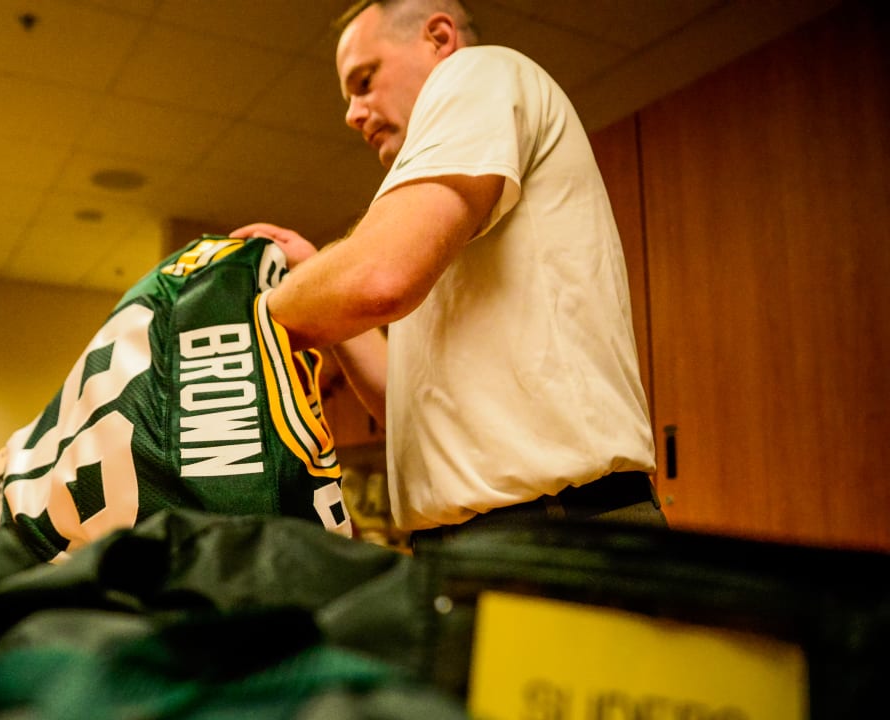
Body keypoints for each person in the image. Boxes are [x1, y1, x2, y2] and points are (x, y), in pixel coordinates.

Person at [231, 0, 663, 547]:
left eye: (364, 81)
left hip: (556, 530)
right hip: (478, 537)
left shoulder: (478, 71)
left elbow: (378, 275)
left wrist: (246, 318)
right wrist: (315, 270)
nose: (352, 113)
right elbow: (405, 407)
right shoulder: (447, 210)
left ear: (439, 38)